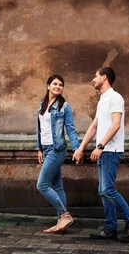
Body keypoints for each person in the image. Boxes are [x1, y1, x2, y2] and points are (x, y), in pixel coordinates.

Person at [72, 67, 129, 242]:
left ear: (104, 77)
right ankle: (110, 228)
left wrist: (100, 146)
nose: (92, 79)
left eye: (95, 76)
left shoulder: (115, 97)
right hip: (104, 151)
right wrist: (81, 148)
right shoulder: (102, 100)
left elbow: (116, 124)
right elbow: (94, 126)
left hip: (111, 150)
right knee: (103, 191)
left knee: (107, 189)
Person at [36, 74, 80, 233]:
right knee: (57, 187)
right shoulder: (42, 105)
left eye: (60, 85)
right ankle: (61, 223)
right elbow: (40, 130)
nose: (57, 86)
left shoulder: (64, 106)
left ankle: (64, 215)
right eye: (54, 83)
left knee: (42, 185)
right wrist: (39, 149)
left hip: (57, 149)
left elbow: (70, 128)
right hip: (46, 149)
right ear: (48, 86)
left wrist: (77, 148)